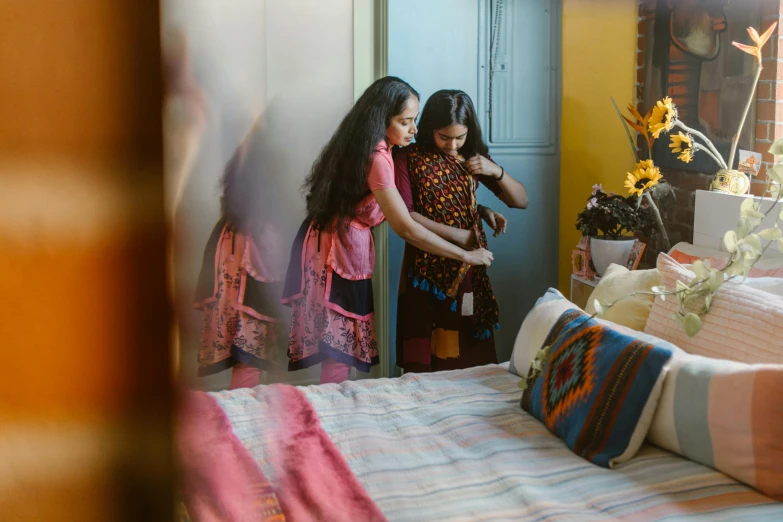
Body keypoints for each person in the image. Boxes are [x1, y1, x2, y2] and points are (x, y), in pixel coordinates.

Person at [281, 77, 493, 384]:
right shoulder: (378, 158)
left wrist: (479, 213)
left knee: (339, 349)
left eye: (415, 120)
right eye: (405, 121)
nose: (414, 130)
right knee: (340, 350)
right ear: (382, 120)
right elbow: (406, 227)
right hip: (335, 251)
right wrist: (466, 254)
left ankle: (336, 414)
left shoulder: (370, 147)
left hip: (330, 242)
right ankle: (337, 419)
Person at [393, 89, 528, 373]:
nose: (452, 145)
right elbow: (408, 214)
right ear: (430, 129)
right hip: (425, 268)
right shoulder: (408, 157)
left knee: (466, 349)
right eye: (444, 137)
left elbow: (520, 201)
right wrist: (463, 236)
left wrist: (495, 172)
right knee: (426, 349)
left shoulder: (472, 159)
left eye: (460, 137)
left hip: (467, 269)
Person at [193, 117, 287, 389]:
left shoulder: (242, 156)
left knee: (249, 349)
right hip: (249, 249)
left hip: (236, 246)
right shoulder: (261, 159)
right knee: (250, 348)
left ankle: (247, 412)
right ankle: (247, 417)